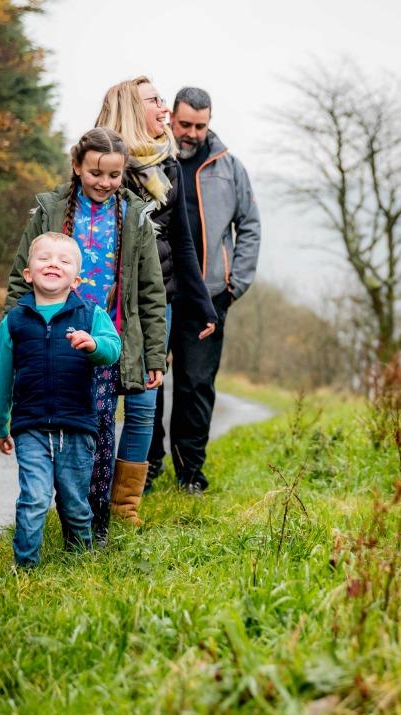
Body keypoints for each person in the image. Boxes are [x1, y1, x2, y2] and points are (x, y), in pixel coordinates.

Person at [7, 127, 168, 544]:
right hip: (48, 342)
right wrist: (13, 330)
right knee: (50, 434)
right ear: (77, 166)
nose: (104, 182)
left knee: (95, 435)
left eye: (114, 175)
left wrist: (154, 356)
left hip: (102, 345)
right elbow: (18, 279)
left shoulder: (134, 216)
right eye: (95, 172)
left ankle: (92, 526)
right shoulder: (49, 210)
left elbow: (151, 292)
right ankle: (47, 513)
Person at [94, 77, 217, 495]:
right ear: (131, 107)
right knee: (102, 401)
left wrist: (203, 303)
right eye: (155, 100)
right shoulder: (103, 166)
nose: (164, 108)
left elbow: (182, 239)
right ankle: (91, 497)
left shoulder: (167, 165)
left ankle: (128, 502)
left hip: (156, 300)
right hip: (105, 303)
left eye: (163, 99)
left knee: (145, 402)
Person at [149, 86, 260, 493]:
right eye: (185, 124)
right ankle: (148, 465)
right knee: (149, 381)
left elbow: (249, 225)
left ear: (208, 123)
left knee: (196, 385)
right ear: (171, 120)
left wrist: (234, 286)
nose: (191, 132)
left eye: (200, 125)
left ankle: (189, 473)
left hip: (209, 295)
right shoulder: (152, 162)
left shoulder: (229, 167)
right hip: (157, 293)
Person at [0, 233, 122, 567]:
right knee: (34, 498)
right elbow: (2, 377)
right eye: (44, 258)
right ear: (29, 273)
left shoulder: (90, 315)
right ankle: (25, 567)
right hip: (30, 426)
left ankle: (79, 563)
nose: (53, 264)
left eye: (63, 260)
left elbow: (113, 349)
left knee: (75, 501)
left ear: (75, 279)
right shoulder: (14, 321)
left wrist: (93, 345)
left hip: (77, 426)